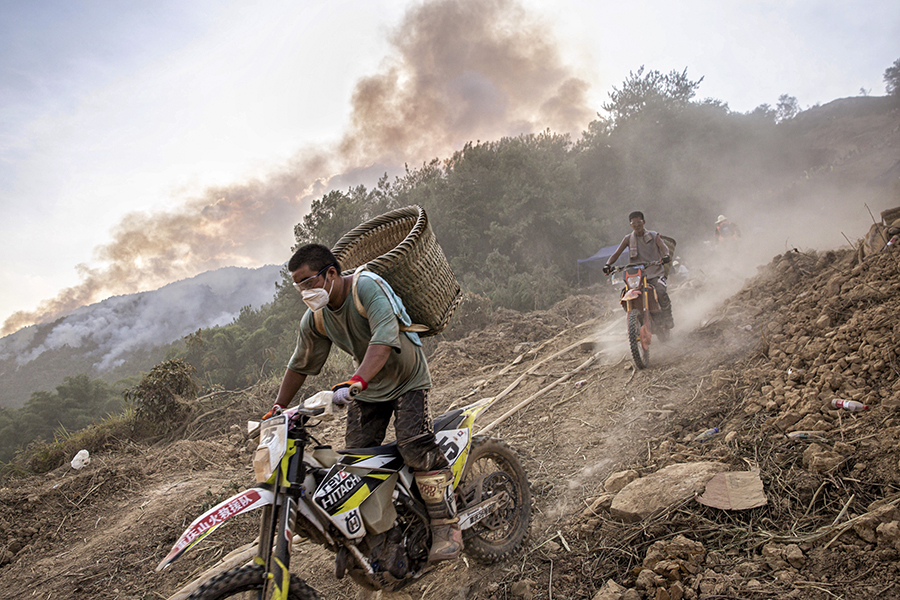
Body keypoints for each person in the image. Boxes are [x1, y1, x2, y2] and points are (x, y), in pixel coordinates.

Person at [264, 243, 462, 563]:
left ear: (331, 273)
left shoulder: (366, 288)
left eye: (307, 282)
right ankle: (386, 532)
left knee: (414, 444)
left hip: (406, 377)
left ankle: (445, 524)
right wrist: (278, 408)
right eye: (297, 285)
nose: (303, 291)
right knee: (357, 461)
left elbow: (384, 339)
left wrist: (355, 381)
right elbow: (299, 363)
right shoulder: (317, 318)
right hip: (368, 387)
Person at [602, 211, 674, 329]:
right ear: (631, 225)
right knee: (624, 294)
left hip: (655, 273)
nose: (637, 226)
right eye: (634, 223)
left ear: (644, 222)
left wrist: (666, 256)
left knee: (660, 292)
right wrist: (607, 264)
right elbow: (616, 254)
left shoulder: (654, 235)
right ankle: (635, 319)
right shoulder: (628, 239)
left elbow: (664, 248)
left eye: (639, 222)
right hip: (637, 275)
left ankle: (668, 317)